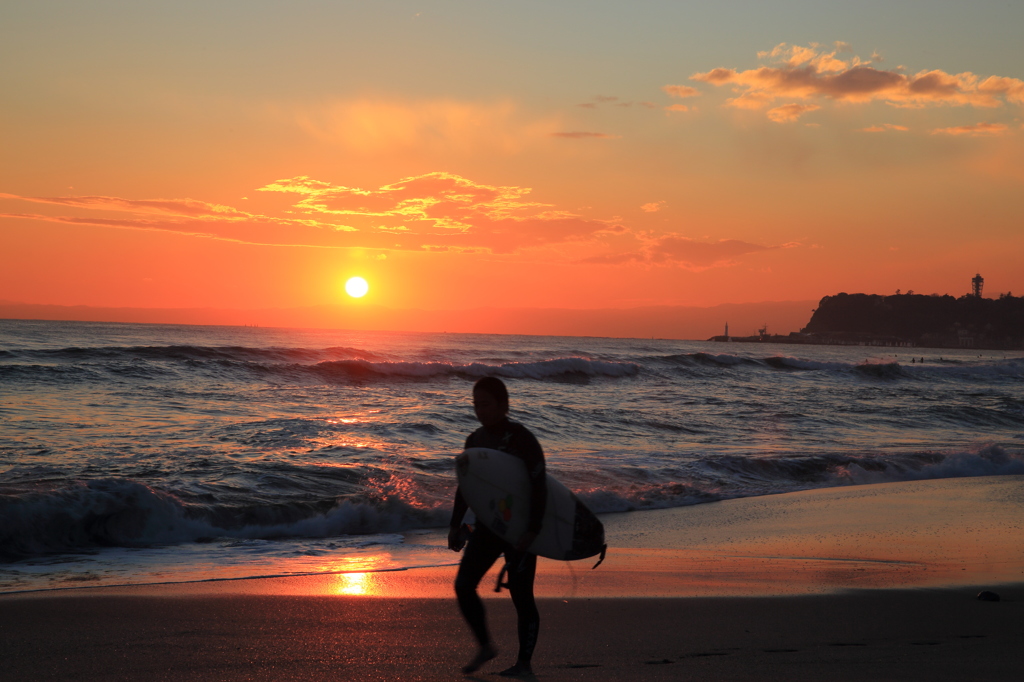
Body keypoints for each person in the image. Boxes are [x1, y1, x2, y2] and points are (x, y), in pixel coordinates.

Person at [449, 376, 547, 677]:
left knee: (521, 596)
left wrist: (532, 530)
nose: (480, 410)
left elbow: (539, 485)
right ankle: (485, 646)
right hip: (489, 527)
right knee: (464, 585)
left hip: (519, 530)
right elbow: (465, 487)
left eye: (486, 404)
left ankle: (524, 664)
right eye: (476, 405)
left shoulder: (521, 438)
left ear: (504, 405)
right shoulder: (474, 441)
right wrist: (455, 525)